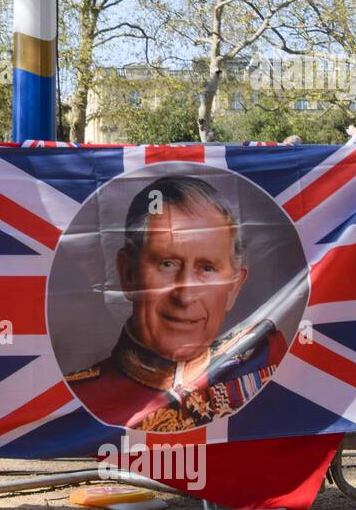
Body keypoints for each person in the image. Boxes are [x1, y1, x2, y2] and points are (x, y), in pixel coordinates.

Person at [64, 176, 285, 433]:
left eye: (207, 268)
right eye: (167, 264)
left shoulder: (265, 365)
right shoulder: (78, 398)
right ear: (128, 274)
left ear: (234, 286)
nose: (185, 296)